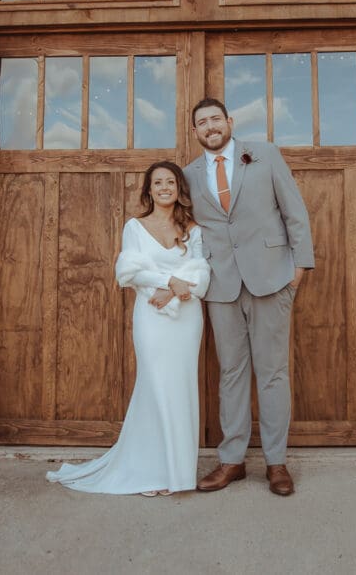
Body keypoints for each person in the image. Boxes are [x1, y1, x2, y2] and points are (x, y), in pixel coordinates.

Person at [45, 161, 210, 496]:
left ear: (179, 188)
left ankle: (177, 474)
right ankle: (148, 471)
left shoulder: (193, 229)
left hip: (186, 319)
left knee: (181, 390)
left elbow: (201, 272)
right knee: (154, 387)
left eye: (170, 182)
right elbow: (128, 271)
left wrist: (176, 290)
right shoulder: (135, 227)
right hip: (151, 317)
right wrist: (169, 281)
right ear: (149, 190)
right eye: (157, 183)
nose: (164, 188)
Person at [183, 97, 314, 496]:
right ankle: (232, 461)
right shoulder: (188, 175)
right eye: (202, 122)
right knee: (231, 373)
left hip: (271, 279)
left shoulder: (264, 154)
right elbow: (186, 229)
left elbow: (294, 211)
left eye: (216, 119)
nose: (210, 127)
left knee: (273, 373)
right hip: (221, 286)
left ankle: (276, 463)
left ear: (229, 121)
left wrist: (299, 268)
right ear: (195, 131)